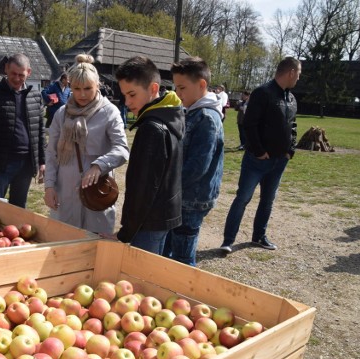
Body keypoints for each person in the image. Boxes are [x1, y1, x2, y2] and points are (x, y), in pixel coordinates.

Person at [219, 57, 301, 253]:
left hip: (280, 161)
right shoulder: (262, 93)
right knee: (243, 198)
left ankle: (259, 236)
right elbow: (250, 124)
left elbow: (293, 126)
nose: (299, 78)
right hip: (257, 161)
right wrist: (259, 151)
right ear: (290, 72)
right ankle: (228, 241)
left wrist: (290, 150)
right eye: (298, 73)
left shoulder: (291, 98)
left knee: (267, 200)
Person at [43, 54, 129, 234]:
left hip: (96, 192)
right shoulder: (61, 114)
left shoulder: (109, 112)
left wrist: (99, 166)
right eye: (76, 88)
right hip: (64, 191)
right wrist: (49, 186)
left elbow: (122, 149)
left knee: (95, 247)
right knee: (63, 244)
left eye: (88, 88)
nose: (82, 94)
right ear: (70, 87)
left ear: (97, 85)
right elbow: (51, 153)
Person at [112, 56, 185, 255]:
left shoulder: (152, 128)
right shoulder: (171, 114)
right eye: (124, 95)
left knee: (140, 279)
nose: (127, 102)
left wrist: (126, 232)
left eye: (132, 94)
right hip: (163, 216)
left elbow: (143, 187)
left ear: (153, 89)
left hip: (149, 222)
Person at [165, 57, 224, 266]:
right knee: (170, 248)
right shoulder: (193, 111)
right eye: (176, 87)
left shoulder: (206, 117)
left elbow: (198, 165)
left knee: (182, 257)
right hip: (184, 194)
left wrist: (170, 185)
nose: (178, 94)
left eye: (182, 88)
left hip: (192, 197)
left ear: (201, 85)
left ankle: (183, 291)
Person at [0, 53, 45, 208]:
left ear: (29, 73)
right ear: (6, 69)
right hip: (0, 162)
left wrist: (42, 160)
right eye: (13, 73)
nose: (16, 78)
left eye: (21, 75)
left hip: (26, 164)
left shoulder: (35, 95)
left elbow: (39, 130)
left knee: (19, 207)